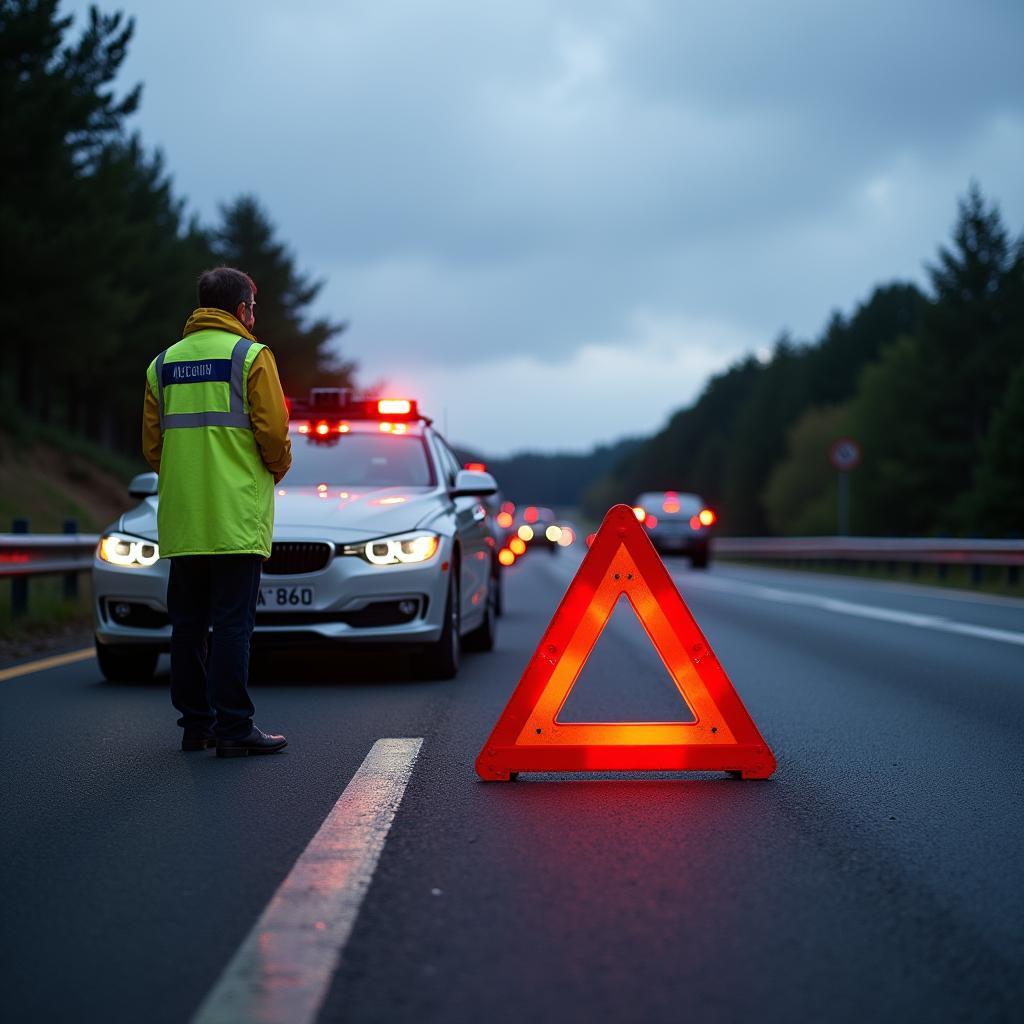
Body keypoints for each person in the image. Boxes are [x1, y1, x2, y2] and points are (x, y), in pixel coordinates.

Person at [142, 267, 292, 757]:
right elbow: (272, 434)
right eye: (253, 307)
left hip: (185, 517)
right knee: (232, 625)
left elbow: (152, 446)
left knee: (187, 625)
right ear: (242, 308)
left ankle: (195, 726)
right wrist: (276, 468)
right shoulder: (251, 356)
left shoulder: (162, 363)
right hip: (235, 516)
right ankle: (234, 728)